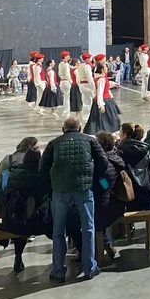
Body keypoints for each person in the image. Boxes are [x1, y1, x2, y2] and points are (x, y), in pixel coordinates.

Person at [40, 116, 107, 281]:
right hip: (83, 189)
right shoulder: (90, 141)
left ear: (63, 129)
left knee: (59, 231)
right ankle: (89, 268)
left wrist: (53, 184)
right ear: (80, 128)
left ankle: (58, 271)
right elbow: (103, 162)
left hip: (60, 191)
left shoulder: (53, 144)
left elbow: (42, 168)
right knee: (88, 227)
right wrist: (92, 178)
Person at [68, 132, 126, 262]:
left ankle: (83, 251)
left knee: (72, 219)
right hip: (117, 204)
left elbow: (104, 185)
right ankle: (107, 243)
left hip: (106, 206)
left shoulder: (102, 164)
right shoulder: (117, 159)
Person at [0, 147, 50, 273]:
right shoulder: (41, 175)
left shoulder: (13, 174)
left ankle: (18, 256)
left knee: (20, 217)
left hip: (15, 220)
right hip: (39, 222)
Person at [0, 136, 39, 211]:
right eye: (37, 147)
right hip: (28, 202)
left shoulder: (9, 158)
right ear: (31, 148)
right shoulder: (34, 160)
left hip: (4, 201)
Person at [117, 123, 150, 209]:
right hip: (145, 189)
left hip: (128, 192)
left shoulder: (120, 149)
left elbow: (115, 171)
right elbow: (149, 168)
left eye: (120, 132)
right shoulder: (145, 149)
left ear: (125, 135)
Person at [84, 62, 122, 136]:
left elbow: (106, 85)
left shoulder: (101, 78)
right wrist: (101, 105)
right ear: (102, 69)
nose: (107, 68)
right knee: (110, 118)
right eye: (105, 67)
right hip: (105, 100)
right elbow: (100, 92)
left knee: (104, 118)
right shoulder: (101, 79)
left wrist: (114, 84)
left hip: (105, 99)